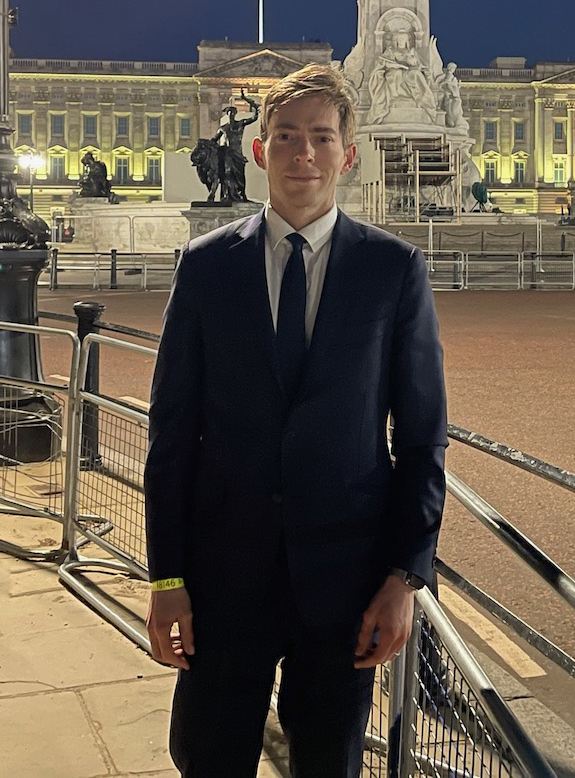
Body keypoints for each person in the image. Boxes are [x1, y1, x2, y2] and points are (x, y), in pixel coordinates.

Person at [144, 63, 448, 777]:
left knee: (328, 765)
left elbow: (424, 434)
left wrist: (406, 575)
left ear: (349, 154)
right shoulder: (206, 265)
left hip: (346, 582)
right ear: (259, 153)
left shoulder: (394, 269)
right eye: (285, 137)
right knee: (209, 757)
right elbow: (171, 433)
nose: (302, 153)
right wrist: (167, 579)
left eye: (320, 137)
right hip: (223, 578)